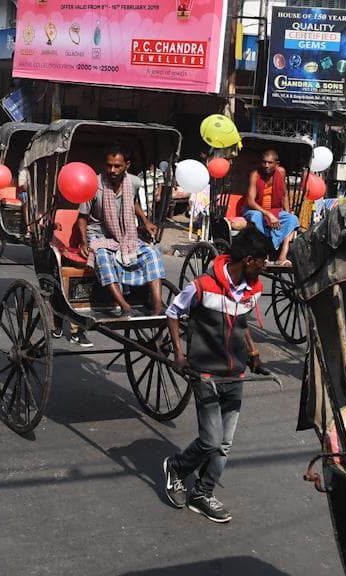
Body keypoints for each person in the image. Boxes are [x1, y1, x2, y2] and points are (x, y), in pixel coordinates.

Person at [162, 227, 270, 523]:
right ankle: (177, 467)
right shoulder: (202, 286)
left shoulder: (253, 290)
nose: (264, 267)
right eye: (262, 260)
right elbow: (173, 312)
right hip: (206, 373)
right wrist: (179, 354)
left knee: (224, 444)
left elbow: (242, 323)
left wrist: (254, 355)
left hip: (235, 374)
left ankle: (203, 492)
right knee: (211, 441)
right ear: (248, 260)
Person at [77, 144, 167, 316]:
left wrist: (145, 220)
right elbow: (82, 217)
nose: (112, 170)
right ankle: (125, 307)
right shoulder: (94, 184)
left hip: (125, 232)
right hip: (99, 233)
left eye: (117, 166)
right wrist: (83, 242)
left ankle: (157, 305)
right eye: (109, 165)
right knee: (102, 256)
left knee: (152, 253)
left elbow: (132, 202)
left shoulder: (133, 182)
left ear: (127, 165)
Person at [243, 150, 299, 266]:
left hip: (275, 210)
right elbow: (251, 202)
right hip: (254, 210)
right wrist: (268, 214)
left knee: (292, 219)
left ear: (276, 164)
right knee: (258, 216)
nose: (266, 165)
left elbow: (284, 195)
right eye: (264, 162)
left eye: (270, 162)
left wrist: (287, 212)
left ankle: (282, 256)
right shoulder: (255, 174)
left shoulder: (281, 172)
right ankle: (264, 253)